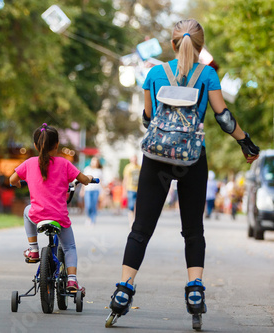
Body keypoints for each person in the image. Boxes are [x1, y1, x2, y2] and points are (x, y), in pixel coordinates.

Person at [107, 19, 260, 326]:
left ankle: (124, 290)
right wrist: (247, 144)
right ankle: (194, 293)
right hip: (191, 159)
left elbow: (148, 119)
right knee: (193, 230)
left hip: (157, 159)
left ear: (173, 44)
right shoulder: (208, 75)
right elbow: (223, 117)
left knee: (141, 228)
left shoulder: (153, 73)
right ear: (200, 47)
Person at [9, 123, 94, 295]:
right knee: (69, 247)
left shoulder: (29, 163)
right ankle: (72, 281)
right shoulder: (64, 164)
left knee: (27, 210)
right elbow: (83, 179)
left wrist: (18, 182)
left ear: (35, 145)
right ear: (56, 145)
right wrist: (89, 178)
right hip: (59, 217)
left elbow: (12, 179)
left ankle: (33, 250)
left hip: (37, 215)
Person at [81, 156, 103, 226]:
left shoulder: (99, 171)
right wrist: (82, 190)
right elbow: (83, 180)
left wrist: (103, 192)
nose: (94, 163)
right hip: (88, 190)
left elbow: (101, 182)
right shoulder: (87, 169)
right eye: (93, 161)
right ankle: (88, 218)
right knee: (88, 205)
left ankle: (93, 219)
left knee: (94, 205)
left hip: (96, 190)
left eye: (96, 162)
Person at [123, 155, 141, 227]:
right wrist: (124, 190)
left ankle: (135, 221)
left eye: (136, 159)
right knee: (131, 206)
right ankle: (131, 221)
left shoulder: (139, 167)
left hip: (138, 189)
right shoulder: (128, 167)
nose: (135, 160)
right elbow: (125, 179)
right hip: (130, 188)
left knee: (138, 206)